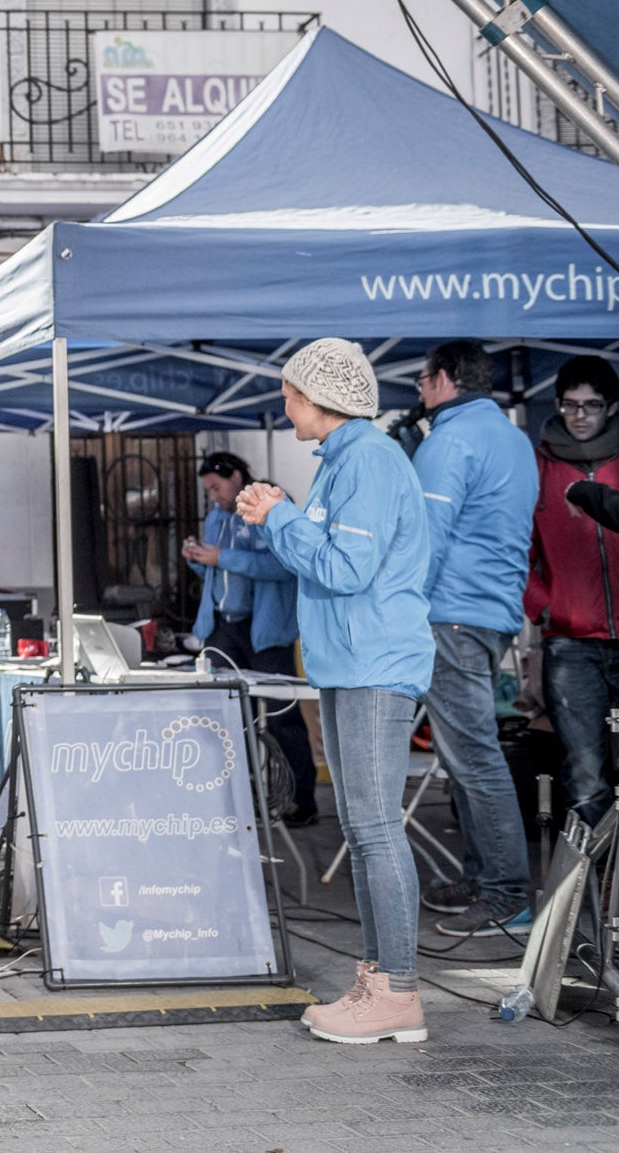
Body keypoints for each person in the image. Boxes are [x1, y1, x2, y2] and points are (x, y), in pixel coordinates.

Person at [237, 338, 432, 1046]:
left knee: (375, 828)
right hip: (354, 663)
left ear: (321, 398)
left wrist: (281, 516)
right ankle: (380, 982)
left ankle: (398, 992)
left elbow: (347, 568)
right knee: (362, 827)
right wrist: (281, 513)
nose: (284, 404)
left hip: (375, 663)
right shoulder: (346, 462)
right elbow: (325, 559)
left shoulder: (371, 462)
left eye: (290, 392)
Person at [405, 341, 538, 939]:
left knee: (474, 759)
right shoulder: (511, 437)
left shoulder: (450, 439)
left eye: (422, 381)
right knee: (466, 758)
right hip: (489, 610)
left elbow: (425, 540)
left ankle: (508, 894)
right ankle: (485, 877)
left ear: (445, 380)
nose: (418, 391)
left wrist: (402, 608)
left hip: (451, 612)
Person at [525, 354, 619, 828]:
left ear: (613, 407)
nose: (581, 415)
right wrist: (544, 608)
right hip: (570, 641)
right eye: (571, 405)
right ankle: (596, 887)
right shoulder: (538, 467)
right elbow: (515, 552)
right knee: (585, 773)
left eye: (592, 405)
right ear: (557, 405)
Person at [181, 452, 315, 824]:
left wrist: (222, 558)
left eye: (217, 487)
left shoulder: (271, 504)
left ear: (237, 476)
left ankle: (300, 801)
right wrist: (197, 558)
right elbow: (218, 572)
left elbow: (285, 565)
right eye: (208, 489)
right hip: (224, 629)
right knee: (228, 718)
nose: (213, 496)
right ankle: (242, 798)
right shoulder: (215, 517)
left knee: (280, 716)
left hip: (266, 630)